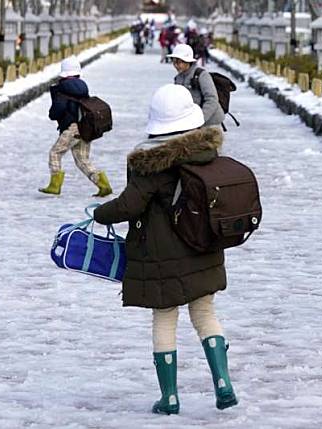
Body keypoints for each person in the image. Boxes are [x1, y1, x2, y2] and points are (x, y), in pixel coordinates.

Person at [93, 84, 238, 414]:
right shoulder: (206, 152)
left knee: (165, 319)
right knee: (205, 314)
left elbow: (129, 206)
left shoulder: (150, 163)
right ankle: (223, 383)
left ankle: (170, 397)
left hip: (162, 256)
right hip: (203, 249)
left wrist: (101, 214)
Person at [40, 57, 112, 197]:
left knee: (55, 153)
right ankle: (103, 185)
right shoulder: (82, 87)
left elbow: (56, 111)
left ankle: (55, 185)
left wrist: (52, 112)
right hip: (85, 127)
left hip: (71, 128)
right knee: (82, 160)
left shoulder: (62, 89)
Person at [168, 44, 224, 128]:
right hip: (192, 123)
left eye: (179, 62)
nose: (176, 65)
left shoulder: (201, 75)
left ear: (188, 61)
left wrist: (200, 119)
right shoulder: (178, 78)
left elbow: (212, 99)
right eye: (174, 62)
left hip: (210, 123)